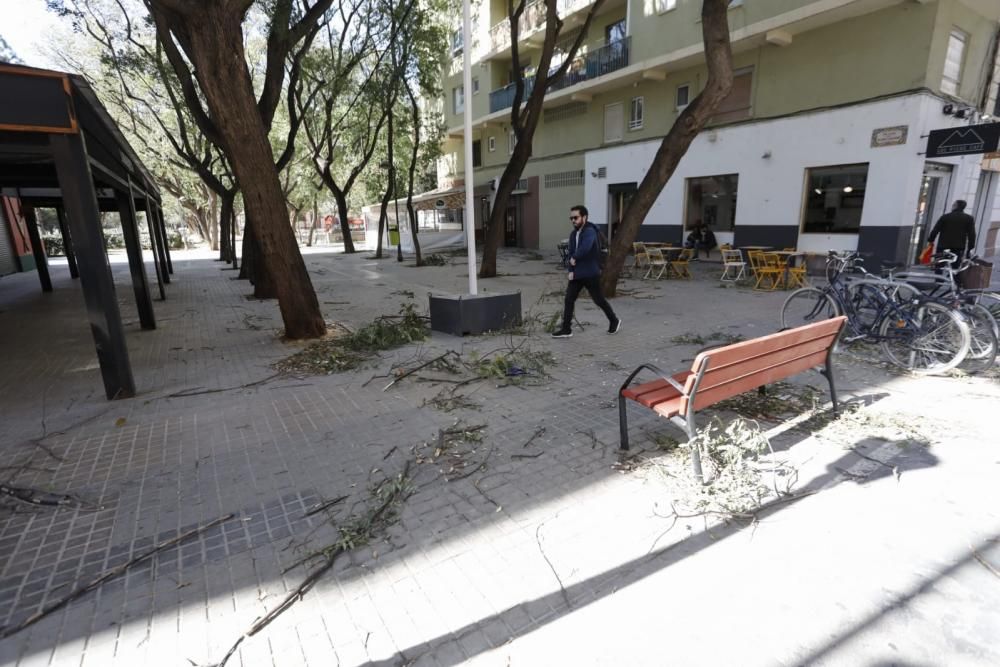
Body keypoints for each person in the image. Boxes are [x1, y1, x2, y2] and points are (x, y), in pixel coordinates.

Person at [552, 205, 621, 338]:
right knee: (569, 299)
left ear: (584, 217)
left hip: (590, 273)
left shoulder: (590, 231)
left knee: (599, 300)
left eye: (576, 217)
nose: (573, 220)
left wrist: (574, 258)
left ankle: (614, 320)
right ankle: (566, 329)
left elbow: (585, 248)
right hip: (577, 274)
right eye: (571, 218)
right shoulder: (573, 234)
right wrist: (571, 270)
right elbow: (570, 253)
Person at [927, 200, 976, 267]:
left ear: (956, 206)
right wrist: (970, 247)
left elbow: (935, 230)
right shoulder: (969, 218)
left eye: (953, 205)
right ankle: (952, 276)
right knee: (955, 267)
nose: (952, 206)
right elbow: (972, 234)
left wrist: (931, 240)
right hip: (958, 247)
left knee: (939, 266)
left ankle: (938, 276)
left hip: (943, 246)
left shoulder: (945, 217)